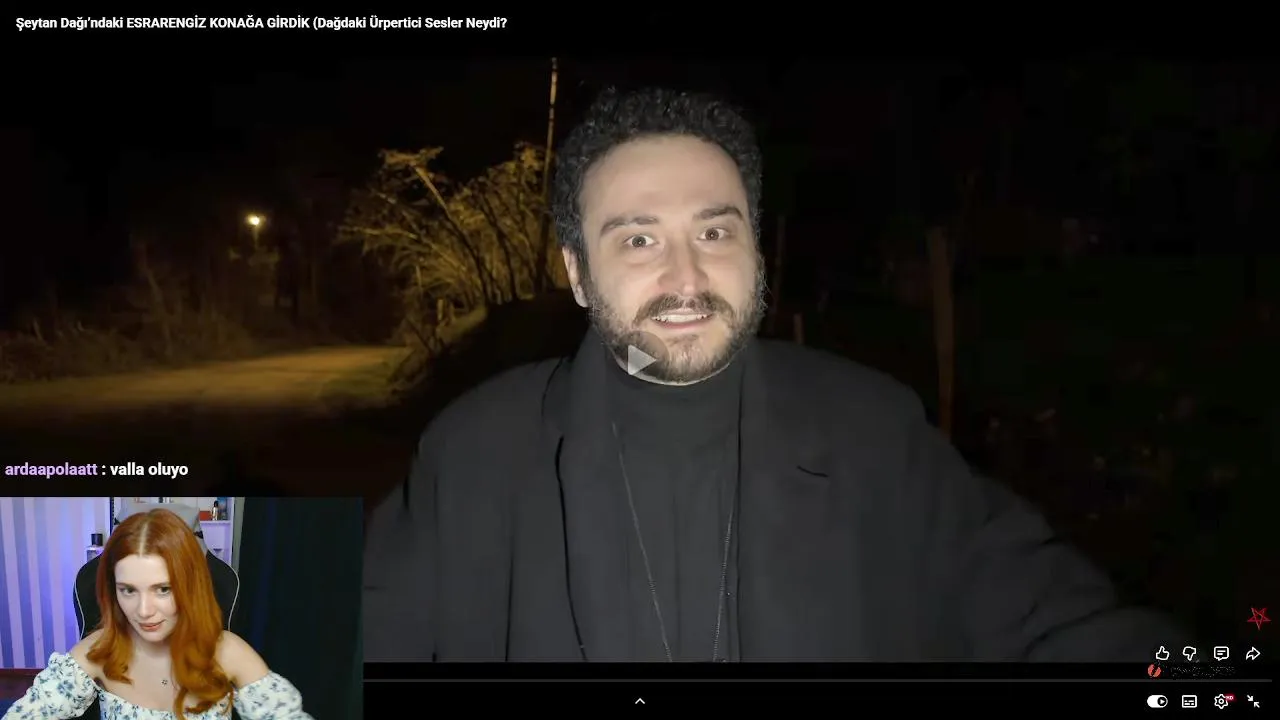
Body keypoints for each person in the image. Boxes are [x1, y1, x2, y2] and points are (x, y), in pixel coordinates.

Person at [362, 86, 1183, 662]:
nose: (686, 278)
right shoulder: (475, 452)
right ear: (578, 273)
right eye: (639, 240)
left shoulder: (873, 430)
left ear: (756, 249)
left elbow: (1053, 619)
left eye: (715, 232)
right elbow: (323, 642)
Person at [3, 509, 313, 719]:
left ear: (191, 586)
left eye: (163, 589)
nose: (144, 611)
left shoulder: (228, 652)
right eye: (128, 590)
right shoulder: (97, 651)